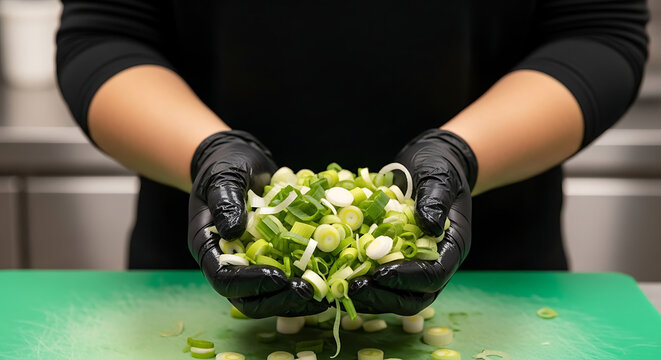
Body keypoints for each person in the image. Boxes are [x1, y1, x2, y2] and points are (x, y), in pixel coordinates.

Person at [56, 1, 649, 318]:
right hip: (198, 273)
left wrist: (461, 157)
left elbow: (598, 31)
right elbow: (105, 34)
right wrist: (209, 154)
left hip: (500, 283)